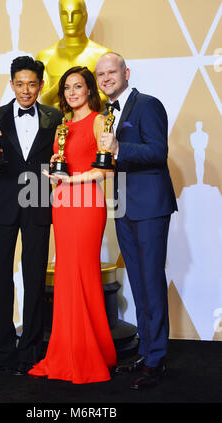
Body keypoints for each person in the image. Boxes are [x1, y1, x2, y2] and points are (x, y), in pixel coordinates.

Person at [0, 56, 63, 375]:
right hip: (5, 203)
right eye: (20, 83)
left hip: (38, 199)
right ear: (11, 84)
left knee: (34, 278)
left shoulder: (55, 116)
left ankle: (30, 355)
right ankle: (0, 354)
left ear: (41, 85)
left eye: (32, 84)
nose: (26, 90)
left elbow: (59, 162)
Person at [28, 66, 117, 383]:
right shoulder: (62, 126)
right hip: (63, 203)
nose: (71, 92)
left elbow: (107, 169)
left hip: (87, 204)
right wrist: (54, 169)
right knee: (67, 275)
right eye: (67, 87)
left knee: (83, 275)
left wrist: (75, 177)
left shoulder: (99, 122)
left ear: (90, 90)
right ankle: (68, 350)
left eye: (78, 86)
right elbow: (62, 163)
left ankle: (87, 353)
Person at [95, 52, 178, 390]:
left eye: (111, 72)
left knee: (152, 282)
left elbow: (159, 152)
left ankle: (157, 359)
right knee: (140, 283)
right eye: (100, 74)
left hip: (150, 207)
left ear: (126, 72)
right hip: (124, 207)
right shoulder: (106, 114)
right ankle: (145, 350)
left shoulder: (148, 104)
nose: (105, 79)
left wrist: (118, 149)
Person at [36, 0, 111, 108]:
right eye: (64, 14)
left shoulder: (102, 54)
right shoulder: (45, 56)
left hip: (91, 122)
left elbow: (105, 97)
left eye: (75, 13)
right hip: (57, 123)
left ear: (85, 16)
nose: (69, 20)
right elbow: (45, 100)